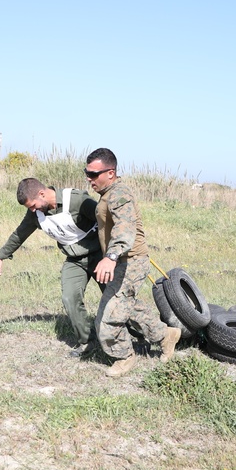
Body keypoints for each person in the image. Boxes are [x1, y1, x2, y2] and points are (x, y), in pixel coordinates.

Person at [86, 148, 180, 377]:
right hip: (122, 261)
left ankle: (124, 356)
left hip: (130, 261)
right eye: (86, 173)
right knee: (127, 306)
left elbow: (124, 229)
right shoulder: (108, 192)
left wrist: (110, 256)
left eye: (93, 174)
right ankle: (166, 335)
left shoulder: (119, 194)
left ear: (110, 172)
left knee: (108, 320)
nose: (89, 179)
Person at [0, 177, 103, 357]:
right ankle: (87, 342)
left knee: (115, 298)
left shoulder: (76, 200)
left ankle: (139, 335)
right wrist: (1, 256)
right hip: (75, 259)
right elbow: (20, 234)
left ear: (42, 193)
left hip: (100, 256)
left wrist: (115, 254)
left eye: (33, 205)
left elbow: (106, 219)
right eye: (30, 208)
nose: (32, 210)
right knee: (69, 297)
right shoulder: (36, 214)